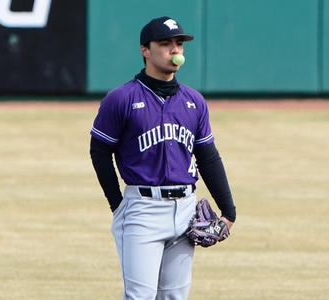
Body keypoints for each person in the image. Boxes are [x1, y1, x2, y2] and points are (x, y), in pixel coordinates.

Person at [89, 16, 236, 300]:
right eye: (165, 43)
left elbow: (207, 156)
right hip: (142, 210)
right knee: (139, 297)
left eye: (179, 44)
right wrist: (117, 204)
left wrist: (228, 210)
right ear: (145, 50)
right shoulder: (121, 98)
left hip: (186, 210)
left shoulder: (194, 101)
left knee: (174, 298)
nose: (175, 50)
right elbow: (99, 151)